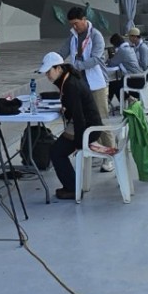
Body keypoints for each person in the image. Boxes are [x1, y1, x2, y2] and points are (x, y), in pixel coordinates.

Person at [36, 51, 113, 200]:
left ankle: (73, 189)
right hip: (85, 124)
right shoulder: (68, 79)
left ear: (58, 68)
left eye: (48, 71)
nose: (47, 75)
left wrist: (79, 143)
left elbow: (79, 117)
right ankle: (71, 186)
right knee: (57, 150)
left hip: (88, 128)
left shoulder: (70, 85)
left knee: (56, 152)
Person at [65, 6, 113, 165]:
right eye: (72, 24)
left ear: (84, 20)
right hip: (80, 85)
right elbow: (62, 51)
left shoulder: (96, 36)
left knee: (102, 120)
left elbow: (96, 59)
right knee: (87, 120)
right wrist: (51, 61)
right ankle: (96, 151)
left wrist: (76, 66)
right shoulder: (73, 36)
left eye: (76, 23)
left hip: (97, 84)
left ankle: (111, 155)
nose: (74, 27)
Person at [105, 33, 143, 109]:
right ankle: (112, 104)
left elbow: (112, 63)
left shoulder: (122, 50)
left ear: (115, 44)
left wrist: (107, 60)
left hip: (134, 79)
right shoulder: (129, 48)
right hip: (139, 77)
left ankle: (127, 100)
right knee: (115, 84)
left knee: (114, 84)